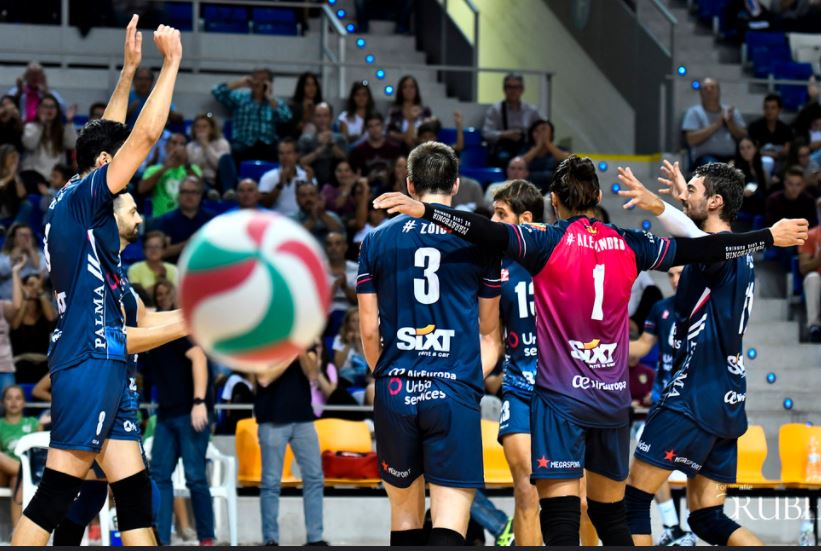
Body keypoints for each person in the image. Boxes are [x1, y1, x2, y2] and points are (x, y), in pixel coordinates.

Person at [373, 153, 808, 546]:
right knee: (610, 514)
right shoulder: (630, 243)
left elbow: (484, 230)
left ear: (554, 201)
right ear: (598, 197)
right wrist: (768, 237)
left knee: (561, 518)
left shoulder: (544, 241)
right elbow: (706, 246)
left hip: (561, 399)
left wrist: (427, 210)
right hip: (612, 401)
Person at [10, 16, 182, 546]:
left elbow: (108, 135)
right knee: (56, 494)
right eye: (120, 165)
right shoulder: (87, 199)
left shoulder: (73, 198)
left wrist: (128, 72)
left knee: (134, 496)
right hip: (91, 355)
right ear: (105, 165)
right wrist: (171, 63)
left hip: (100, 361)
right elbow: (144, 136)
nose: (128, 180)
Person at [615, 161, 776, 546]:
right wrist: (685, 202)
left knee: (632, 502)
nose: (684, 195)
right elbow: (697, 238)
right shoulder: (738, 254)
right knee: (707, 518)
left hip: (694, 393)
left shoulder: (719, 250)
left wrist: (658, 205)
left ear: (715, 201)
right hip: (728, 397)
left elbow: (701, 242)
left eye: (692, 189)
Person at [358, 142, 502, 545]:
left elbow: (368, 331)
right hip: (453, 387)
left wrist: (387, 373)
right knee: (449, 520)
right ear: (455, 185)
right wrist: (466, 378)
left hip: (396, 387)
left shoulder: (377, 239)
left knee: (404, 517)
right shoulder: (480, 239)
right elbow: (489, 330)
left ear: (409, 185)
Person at [50, 190, 187, 546]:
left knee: (102, 498)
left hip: (117, 393)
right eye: (133, 211)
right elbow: (117, 339)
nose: (140, 217)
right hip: (95, 391)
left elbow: (146, 319)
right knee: (75, 499)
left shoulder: (117, 273)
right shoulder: (93, 269)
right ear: (111, 218)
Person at [488, 180, 543, 545]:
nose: (492, 221)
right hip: (519, 386)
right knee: (526, 490)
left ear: (525, 219)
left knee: (580, 498)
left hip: (563, 389)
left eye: (500, 214)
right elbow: (490, 338)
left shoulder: (559, 253)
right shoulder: (496, 265)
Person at [627, 264, 696, 546]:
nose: (675, 279)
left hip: (694, 406)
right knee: (643, 465)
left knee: (694, 469)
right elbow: (643, 345)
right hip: (662, 404)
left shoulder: (708, 307)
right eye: (671, 275)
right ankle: (672, 527)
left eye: (681, 274)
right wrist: (609, 346)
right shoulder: (661, 308)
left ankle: (689, 531)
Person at [144, 282, 215, 546]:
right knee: (159, 476)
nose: (162, 297)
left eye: (166, 293)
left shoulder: (177, 328)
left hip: (190, 412)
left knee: (195, 477)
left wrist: (199, 401)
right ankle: (161, 539)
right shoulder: (151, 337)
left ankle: (206, 538)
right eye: (158, 294)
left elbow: (199, 358)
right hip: (165, 414)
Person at [255, 350, 326, 546]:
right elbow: (263, 378)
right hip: (271, 418)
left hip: (303, 418)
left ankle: (315, 539)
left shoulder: (302, 340)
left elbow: (312, 375)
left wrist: (302, 353)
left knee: (314, 478)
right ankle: (270, 539)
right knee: (271, 482)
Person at [211, 69, 292, 163]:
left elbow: (286, 117)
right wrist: (240, 83)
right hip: (243, 142)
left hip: (267, 144)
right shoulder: (240, 97)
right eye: (256, 79)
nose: (259, 83)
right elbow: (216, 91)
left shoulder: (275, 102)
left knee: (282, 152)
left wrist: (270, 98)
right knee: (231, 151)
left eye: (263, 80)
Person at [148, 175, 215, 264]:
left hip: (205, 267)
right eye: (185, 192)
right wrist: (189, 243)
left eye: (194, 192)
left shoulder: (211, 220)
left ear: (200, 195)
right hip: (175, 268)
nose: (189, 196)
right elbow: (160, 252)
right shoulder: (166, 220)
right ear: (179, 195)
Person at [682, 78, 747, 167]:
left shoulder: (731, 112)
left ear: (719, 91)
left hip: (732, 157)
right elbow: (690, 140)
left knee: (740, 167)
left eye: (712, 87)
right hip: (705, 158)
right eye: (705, 88)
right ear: (700, 93)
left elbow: (744, 137)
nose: (709, 90)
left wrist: (730, 124)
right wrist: (717, 124)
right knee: (714, 168)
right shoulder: (693, 112)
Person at [0, 385, 41, 526]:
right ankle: (23, 471)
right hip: (3, 474)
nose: (13, 402)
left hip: (24, 476)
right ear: (3, 402)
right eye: (9, 398)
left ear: (24, 402)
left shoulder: (34, 423)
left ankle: (16, 532)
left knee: (17, 479)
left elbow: (39, 454)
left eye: (18, 398)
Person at [482, 74, 542, 168]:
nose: (513, 91)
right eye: (509, 87)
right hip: (504, 149)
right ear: (504, 89)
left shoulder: (531, 111)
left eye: (516, 87)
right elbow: (486, 133)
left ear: (522, 90)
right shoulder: (496, 110)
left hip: (526, 148)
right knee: (503, 159)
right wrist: (505, 134)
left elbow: (542, 130)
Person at [10, 264, 55, 384]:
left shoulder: (44, 310)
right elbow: (15, 326)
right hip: (21, 365)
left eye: (37, 284)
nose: (34, 287)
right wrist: (25, 297)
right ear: (23, 287)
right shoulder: (16, 309)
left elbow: (51, 318)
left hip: (43, 365)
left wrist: (40, 292)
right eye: (30, 284)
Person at [138, 132, 201, 217]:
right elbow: (141, 189)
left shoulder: (192, 168)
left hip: (187, 217)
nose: (178, 147)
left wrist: (186, 164)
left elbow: (201, 188)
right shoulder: (154, 169)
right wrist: (166, 167)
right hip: (161, 219)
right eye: (174, 143)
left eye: (182, 144)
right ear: (166, 146)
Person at [20, 94, 77, 189]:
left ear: (57, 110)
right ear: (38, 109)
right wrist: (41, 124)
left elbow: (72, 144)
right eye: (45, 106)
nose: (49, 109)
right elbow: (30, 145)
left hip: (55, 178)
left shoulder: (62, 129)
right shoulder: (31, 127)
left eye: (52, 107)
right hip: (34, 177)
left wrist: (69, 122)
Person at [259, 138, 315, 216]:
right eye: (281, 153)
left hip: (301, 219)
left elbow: (314, 203)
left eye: (289, 153)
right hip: (278, 220)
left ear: (297, 155)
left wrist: (309, 182)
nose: (285, 157)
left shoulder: (307, 175)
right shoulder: (268, 177)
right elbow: (265, 205)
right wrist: (280, 185)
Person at [297, 102, 347, 186]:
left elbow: (345, 159)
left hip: (336, 184)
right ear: (313, 118)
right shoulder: (305, 139)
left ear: (331, 118)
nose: (322, 119)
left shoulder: (340, 138)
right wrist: (321, 148)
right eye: (318, 116)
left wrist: (331, 144)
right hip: (311, 183)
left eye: (325, 116)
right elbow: (300, 162)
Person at [185, 113, 233, 193]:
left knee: (226, 158)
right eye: (197, 126)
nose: (201, 129)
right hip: (201, 180)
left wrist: (206, 146)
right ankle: (210, 192)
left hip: (219, 179)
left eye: (204, 126)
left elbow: (219, 165)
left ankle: (227, 191)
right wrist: (201, 146)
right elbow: (194, 168)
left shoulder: (222, 143)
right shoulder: (190, 146)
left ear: (211, 129)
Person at [349, 112, 402, 180]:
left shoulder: (394, 149)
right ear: (366, 129)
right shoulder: (358, 151)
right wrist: (368, 179)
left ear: (383, 126)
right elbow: (354, 176)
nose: (375, 129)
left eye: (377, 125)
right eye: (371, 126)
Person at [522, 119, 570, 194]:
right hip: (529, 189)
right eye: (536, 130)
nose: (540, 133)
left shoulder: (560, 149)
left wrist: (547, 143)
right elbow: (519, 162)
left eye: (543, 130)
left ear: (551, 133)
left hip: (554, 189)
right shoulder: (525, 149)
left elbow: (567, 159)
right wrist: (538, 146)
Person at [0, 222, 46, 300]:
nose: (27, 238)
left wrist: (31, 250)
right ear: (14, 239)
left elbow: (45, 272)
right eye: (22, 235)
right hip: (7, 297)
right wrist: (12, 259)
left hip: (32, 298)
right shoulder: (5, 254)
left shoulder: (38, 254)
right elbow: (1, 271)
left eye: (29, 235)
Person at [747, 93, 793, 171]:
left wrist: (778, 154)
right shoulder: (755, 127)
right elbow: (751, 148)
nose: (769, 111)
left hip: (780, 164)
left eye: (773, 108)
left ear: (779, 110)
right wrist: (769, 154)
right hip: (759, 163)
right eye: (766, 107)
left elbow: (787, 150)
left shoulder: (786, 129)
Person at [386, 75, 432, 150]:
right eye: (405, 87)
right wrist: (407, 137)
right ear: (400, 90)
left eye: (412, 87)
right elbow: (388, 133)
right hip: (398, 151)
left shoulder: (425, 111)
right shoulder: (394, 111)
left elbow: (430, 134)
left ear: (416, 90)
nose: (409, 90)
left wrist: (400, 136)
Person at [322, 160, 369, 230]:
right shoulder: (328, 188)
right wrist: (348, 186)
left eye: (347, 170)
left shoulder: (357, 188)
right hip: (335, 223)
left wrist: (363, 188)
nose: (343, 174)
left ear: (352, 172)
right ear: (334, 173)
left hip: (355, 222)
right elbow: (337, 206)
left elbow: (362, 207)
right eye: (339, 171)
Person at [127, 230, 178, 295]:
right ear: (144, 250)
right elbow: (138, 295)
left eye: (157, 247)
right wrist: (160, 281)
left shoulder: (174, 270)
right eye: (149, 247)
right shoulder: (134, 269)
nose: (153, 250)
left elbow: (177, 295)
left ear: (164, 250)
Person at [799, 197, 821, 342]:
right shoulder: (810, 235)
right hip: (818, 279)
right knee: (812, 278)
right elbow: (803, 268)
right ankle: (814, 326)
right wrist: (819, 259)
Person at [734, 137, 770, 218]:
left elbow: (765, 189)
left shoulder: (761, 166)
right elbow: (729, 191)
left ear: (755, 148)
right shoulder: (734, 167)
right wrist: (742, 192)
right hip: (743, 205)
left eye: (749, 147)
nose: (746, 151)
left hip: (759, 203)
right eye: (742, 148)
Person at [325, 231, 358, 318]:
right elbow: (314, 303)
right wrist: (333, 289)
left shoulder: (357, 269)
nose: (333, 247)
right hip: (326, 316)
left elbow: (362, 301)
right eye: (329, 244)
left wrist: (345, 287)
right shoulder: (318, 269)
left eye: (338, 244)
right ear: (325, 248)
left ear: (345, 247)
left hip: (351, 316)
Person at [283, 71, 323, 140]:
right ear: (301, 87)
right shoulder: (293, 107)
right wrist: (305, 114)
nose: (311, 88)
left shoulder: (322, 106)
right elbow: (291, 130)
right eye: (307, 85)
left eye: (314, 84)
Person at [0, 144, 29, 229]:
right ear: (3, 157)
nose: (14, 161)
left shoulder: (15, 175)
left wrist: (15, 175)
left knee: (27, 205)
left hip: (10, 210)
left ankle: (13, 229)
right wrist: (11, 175)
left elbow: (22, 195)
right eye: (12, 157)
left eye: (16, 158)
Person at [0, 285, 16, 392]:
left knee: (10, 399)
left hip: (4, 366)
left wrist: (15, 275)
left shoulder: (2, 305)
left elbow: (17, 307)